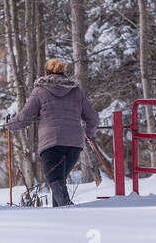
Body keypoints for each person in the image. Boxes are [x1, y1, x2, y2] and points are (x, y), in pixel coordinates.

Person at [5, 59, 98, 207]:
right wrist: (89, 133)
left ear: (46, 73)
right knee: (59, 181)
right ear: (63, 72)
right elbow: (92, 117)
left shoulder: (40, 91)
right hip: (74, 145)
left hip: (52, 143)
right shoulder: (76, 91)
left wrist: (10, 124)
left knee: (54, 179)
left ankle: (70, 210)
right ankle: (59, 217)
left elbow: (25, 118)